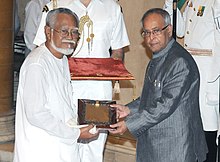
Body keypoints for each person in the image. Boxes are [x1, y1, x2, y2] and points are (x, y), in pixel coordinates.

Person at [33, 0, 130, 162]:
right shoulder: (55, 5)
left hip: (99, 89)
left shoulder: (112, 7)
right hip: (64, 87)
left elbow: (118, 50)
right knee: (64, 141)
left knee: (95, 144)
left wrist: (110, 69)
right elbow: (41, 48)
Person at [109, 8, 208, 162]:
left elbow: (165, 104)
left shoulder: (179, 62)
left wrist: (129, 124)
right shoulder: (160, 56)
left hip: (176, 147)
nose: (151, 38)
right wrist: (128, 109)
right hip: (158, 145)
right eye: (146, 33)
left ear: (169, 30)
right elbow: (153, 97)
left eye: (156, 31)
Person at [13, 8, 98, 162]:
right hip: (42, 149)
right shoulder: (37, 64)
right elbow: (36, 114)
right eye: (64, 31)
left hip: (60, 145)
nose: (70, 37)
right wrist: (75, 134)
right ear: (48, 31)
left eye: (74, 32)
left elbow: (62, 104)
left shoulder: (61, 58)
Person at [163, 0, 220, 161]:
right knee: (191, 127)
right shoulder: (191, 2)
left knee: (207, 127)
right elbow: (178, 31)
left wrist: (214, 81)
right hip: (190, 71)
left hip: (208, 72)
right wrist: (169, 4)